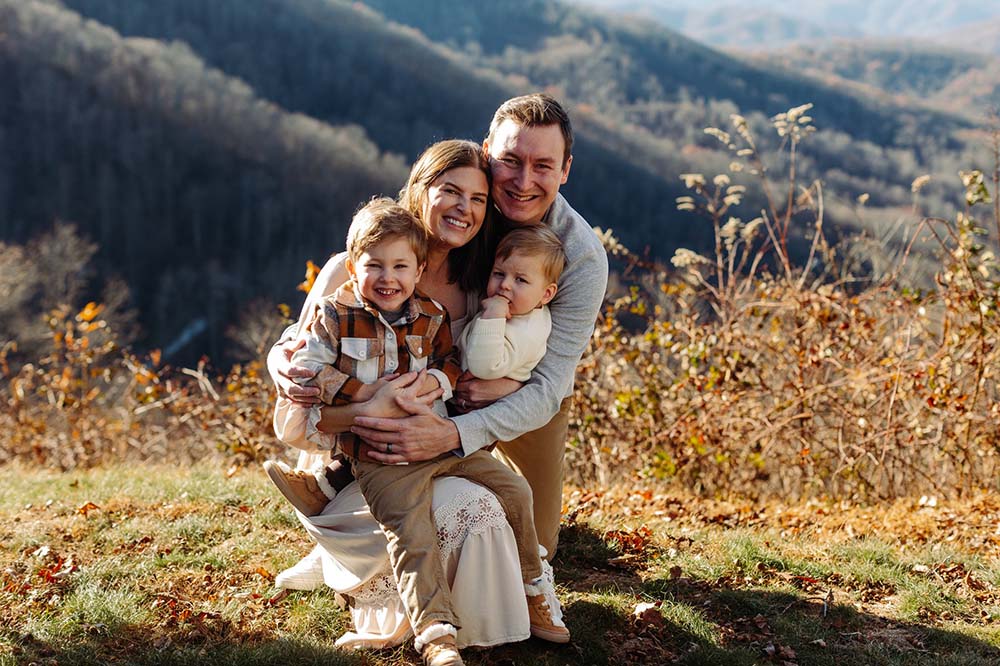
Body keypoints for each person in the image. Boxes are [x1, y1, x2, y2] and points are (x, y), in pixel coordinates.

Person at [267, 139, 545, 655]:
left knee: (488, 506)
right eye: (450, 191)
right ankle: (421, 619)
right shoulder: (348, 275)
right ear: (420, 189)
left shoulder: (475, 290)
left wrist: (492, 388)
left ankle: (511, 606)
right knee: (430, 518)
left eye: (479, 198)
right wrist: (357, 403)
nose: (464, 208)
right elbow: (299, 381)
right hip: (354, 450)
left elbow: (489, 368)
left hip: (435, 443)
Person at [350, 93, 609, 560]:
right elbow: (375, 257)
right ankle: (344, 517)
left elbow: (551, 386)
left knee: (538, 543)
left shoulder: (582, 256)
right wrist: (292, 344)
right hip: (436, 366)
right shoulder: (461, 200)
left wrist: (467, 423)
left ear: (566, 169)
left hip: (526, 383)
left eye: (544, 166)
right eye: (510, 160)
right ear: (487, 150)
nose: (524, 181)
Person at [458, 225, 563, 383]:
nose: (505, 284)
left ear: (546, 294)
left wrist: (493, 316)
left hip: (482, 403)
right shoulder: (525, 308)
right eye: (499, 274)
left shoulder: (527, 333)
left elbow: (483, 368)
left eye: (520, 279)